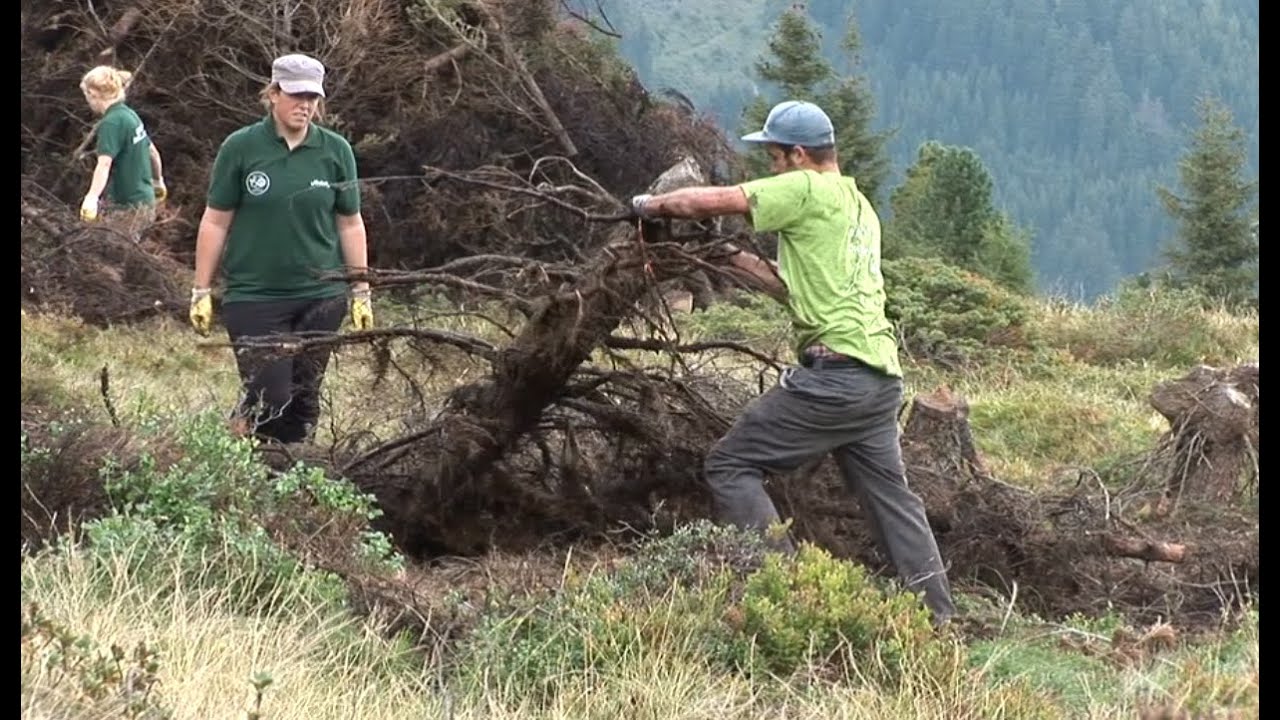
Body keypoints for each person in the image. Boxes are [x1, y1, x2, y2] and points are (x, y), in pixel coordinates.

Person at [628, 100, 956, 625]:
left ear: (799, 154)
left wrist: (651, 205)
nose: (771, 167)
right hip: (877, 382)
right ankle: (939, 621)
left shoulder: (805, 186)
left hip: (835, 380)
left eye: (774, 157)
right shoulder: (857, 207)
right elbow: (791, 289)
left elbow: (713, 201)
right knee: (892, 501)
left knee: (730, 466)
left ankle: (784, 596)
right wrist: (723, 255)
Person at [188, 53, 374, 445]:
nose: (304, 105)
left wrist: (361, 291)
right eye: (295, 95)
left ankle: (285, 479)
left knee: (304, 400)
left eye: (312, 97)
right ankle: (249, 449)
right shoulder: (241, 147)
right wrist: (201, 290)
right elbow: (216, 220)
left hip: (321, 295)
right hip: (254, 295)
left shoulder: (336, 151)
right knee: (271, 396)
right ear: (273, 93)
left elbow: (350, 223)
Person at [79, 65, 166, 234]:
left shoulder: (112, 122)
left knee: (107, 254)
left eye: (86, 95)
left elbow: (104, 164)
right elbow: (153, 153)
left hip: (128, 208)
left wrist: (91, 197)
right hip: (146, 202)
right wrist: (158, 180)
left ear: (94, 94)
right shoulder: (130, 115)